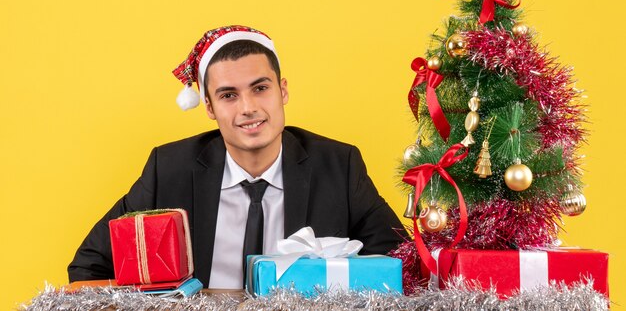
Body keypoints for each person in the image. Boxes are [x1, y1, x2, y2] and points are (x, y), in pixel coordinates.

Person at [68, 25, 407, 288]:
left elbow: (400, 261)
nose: (248, 108)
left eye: (260, 88)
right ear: (210, 108)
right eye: (229, 95)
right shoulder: (168, 170)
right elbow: (89, 264)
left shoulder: (338, 166)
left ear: (282, 89)